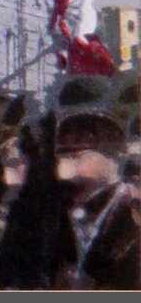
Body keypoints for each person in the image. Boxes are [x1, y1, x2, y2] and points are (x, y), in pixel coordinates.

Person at [52, 112, 140, 289]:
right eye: (63, 156)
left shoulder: (133, 203)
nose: (65, 164)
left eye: (77, 156)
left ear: (113, 157)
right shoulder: (58, 210)